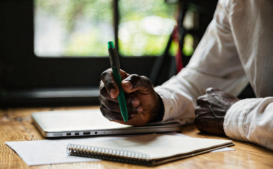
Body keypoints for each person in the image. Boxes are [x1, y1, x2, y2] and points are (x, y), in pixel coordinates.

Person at [99, 0, 273, 151]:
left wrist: (234, 114)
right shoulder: (237, 3)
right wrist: (157, 105)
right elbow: (200, 81)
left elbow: (220, 106)